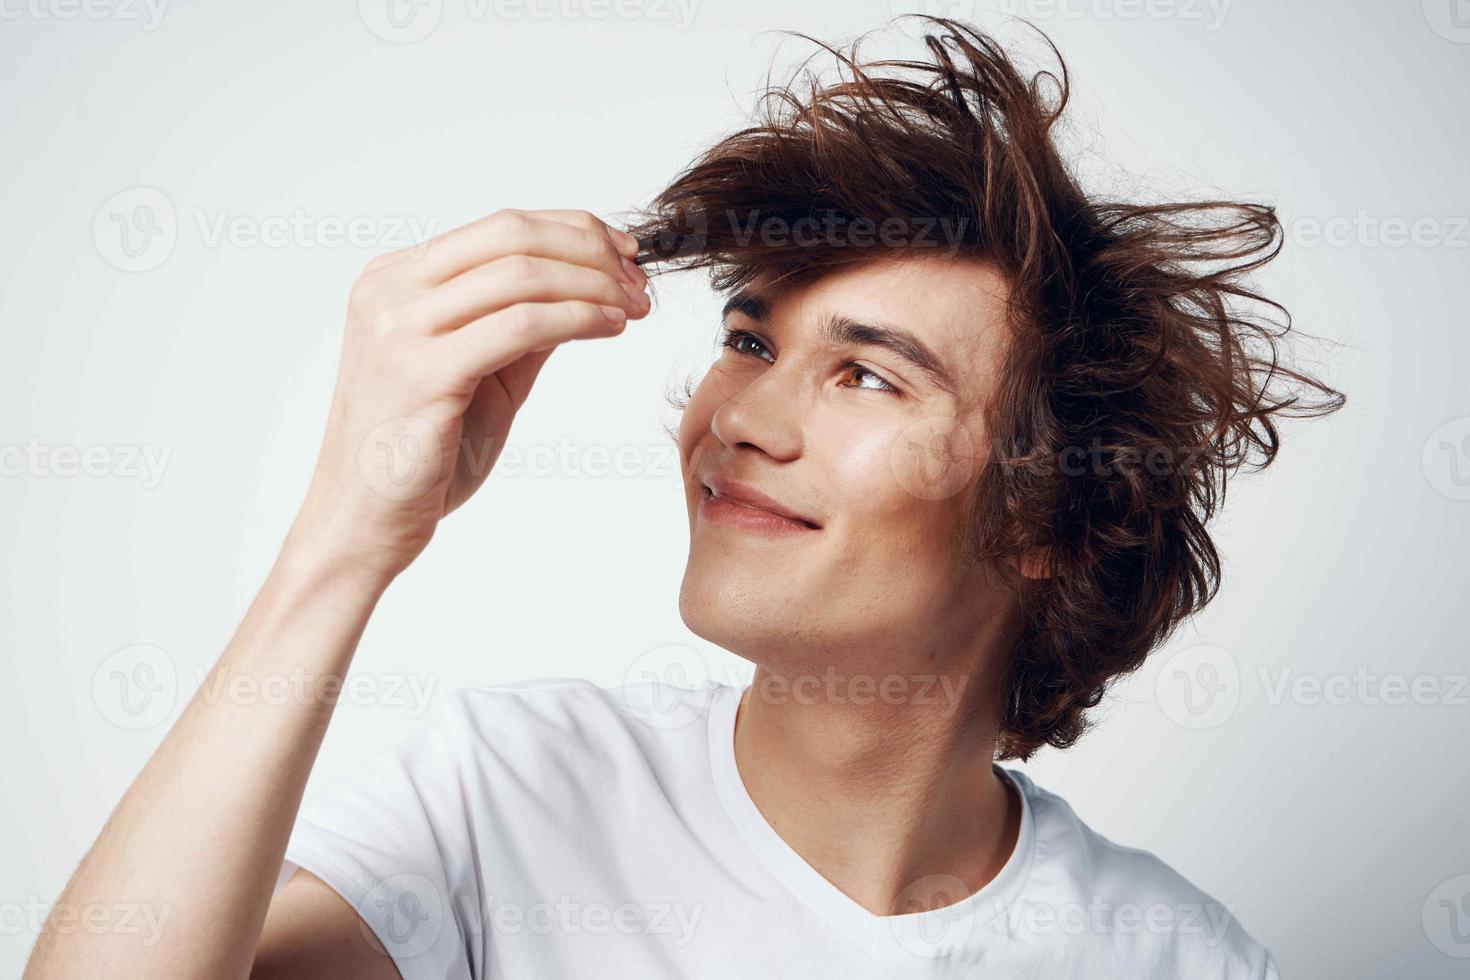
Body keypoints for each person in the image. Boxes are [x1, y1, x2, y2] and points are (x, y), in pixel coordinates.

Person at [25, 15, 1343, 979]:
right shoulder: (516, 798)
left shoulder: (1175, 959)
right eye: (751, 341)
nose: (741, 421)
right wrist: (349, 536)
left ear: (1049, 517)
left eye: (867, 380)